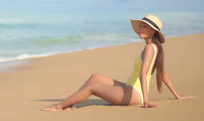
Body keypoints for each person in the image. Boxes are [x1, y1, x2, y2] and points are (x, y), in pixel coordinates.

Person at [42, 14, 195, 111]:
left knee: (93, 87)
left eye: (145, 26)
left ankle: (59, 106)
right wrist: (177, 95)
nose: (141, 28)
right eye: (141, 25)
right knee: (95, 77)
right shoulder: (155, 48)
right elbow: (164, 74)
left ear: (153, 31)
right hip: (131, 89)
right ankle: (70, 104)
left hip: (134, 95)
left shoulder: (150, 48)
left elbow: (143, 74)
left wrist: (146, 101)